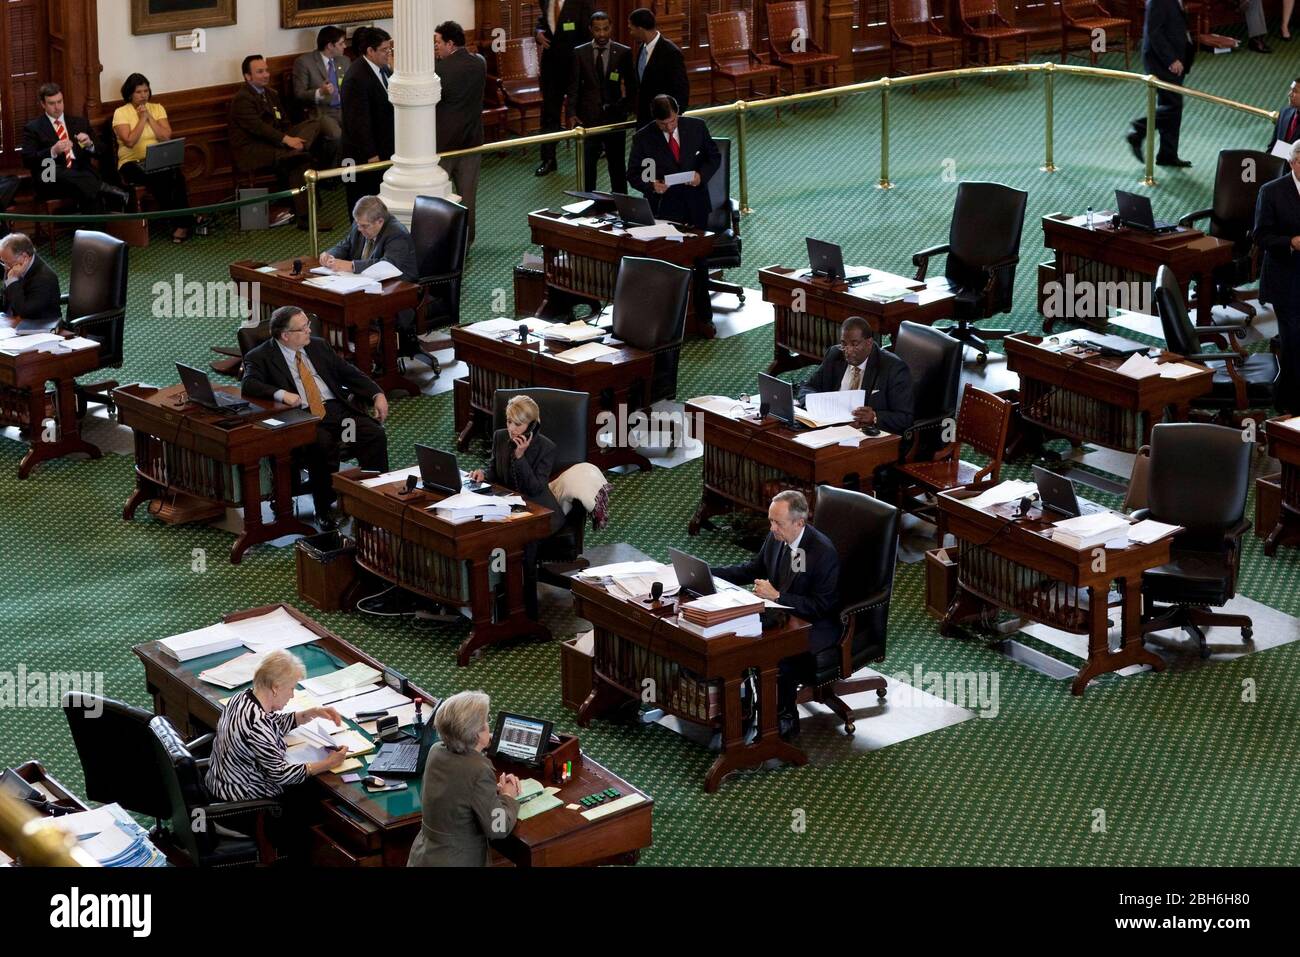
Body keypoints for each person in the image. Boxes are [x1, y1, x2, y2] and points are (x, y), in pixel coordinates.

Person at [241, 305, 390, 529]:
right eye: (303, 328)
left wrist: (376, 394)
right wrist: (282, 394)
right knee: (323, 445)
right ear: (285, 335)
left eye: (308, 325)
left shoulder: (318, 346)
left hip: (336, 413)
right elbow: (249, 385)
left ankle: (374, 499)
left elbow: (348, 372)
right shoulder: (261, 356)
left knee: (372, 434)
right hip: (302, 418)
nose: (310, 331)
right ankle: (325, 507)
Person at [711, 490, 840, 738]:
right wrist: (709, 572)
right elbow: (752, 569)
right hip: (781, 615)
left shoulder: (822, 553)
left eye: (777, 523)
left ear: (799, 522)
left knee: (776, 656)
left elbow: (823, 606)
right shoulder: (777, 538)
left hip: (816, 624)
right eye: (770, 521)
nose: (772, 528)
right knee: (736, 639)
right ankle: (747, 710)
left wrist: (778, 596)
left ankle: (786, 718)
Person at [627, 94, 720, 334]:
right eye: (663, 125)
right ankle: (666, 323)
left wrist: (701, 176)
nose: (669, 128)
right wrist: (651, 185)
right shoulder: (644, 138)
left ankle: (704, 318)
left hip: (696, 205)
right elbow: (634, 174)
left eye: (672, 122)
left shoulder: (696, 127)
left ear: (677, 113)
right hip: (665, 209)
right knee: (666, 264)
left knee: (699, 262)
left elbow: (713, 157)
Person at [205, 649, 349, 803]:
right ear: (276, 687)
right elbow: (281, 774)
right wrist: (328, 763)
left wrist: (311, 713)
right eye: (292, 688)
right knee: (318, 795)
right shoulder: (258, 724)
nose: (292, 695)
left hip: (219, 782)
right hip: (242, 795)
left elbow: (273, 724)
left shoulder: (241, 698)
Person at [467, 395, 565, 620]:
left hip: (540, 513)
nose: (511, 428)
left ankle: (526, 615)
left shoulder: (546, 448)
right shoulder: (500, 436)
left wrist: (520, 458)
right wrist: (483, 475)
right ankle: (496, 607)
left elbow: (535, 487)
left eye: (518, 424)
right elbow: (495, 471)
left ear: (532, 425)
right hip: (508, 506)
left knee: (523, 549)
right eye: (509, 421)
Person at [407, 691, 520, 867]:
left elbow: (459, 791)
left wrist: (480, 745)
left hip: (423, 856)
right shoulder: (479, 770)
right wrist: (507, 796)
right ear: (476, 733)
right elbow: (498, 828)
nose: (488, 725)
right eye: (486, 721)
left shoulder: (436, 751)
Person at [229, 54, 327, 229]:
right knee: (300, 160)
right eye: (260, 72)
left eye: (266, 70)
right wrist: (287, 139)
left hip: (277, 143)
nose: (266, 74)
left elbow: (285, 123)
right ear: (247, 76)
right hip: (253, 149)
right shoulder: (242, 98)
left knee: (314, 123)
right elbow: (258, 128)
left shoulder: (271, 94)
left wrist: (290, 138)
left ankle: (297, 150)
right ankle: (305, 218)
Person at [112, 73, 195, 244]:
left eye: (146, 90)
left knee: (176, 175)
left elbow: (166, 137)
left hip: (158, 159)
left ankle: (180, 223)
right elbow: (129, 141)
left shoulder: (157, 108)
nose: (143, 95)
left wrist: (150, 117)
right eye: (138, 92)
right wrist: (142, 119)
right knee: (161, 177)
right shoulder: (121, 112)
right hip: (131, 163)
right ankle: (183, 222)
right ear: (130, 94)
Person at [21, 83, 128, 214]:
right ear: (43, 104)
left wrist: (90, 145)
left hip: (80, 173)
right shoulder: (33, 128)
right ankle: (105, 189)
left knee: (87, 190)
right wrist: (52, 151)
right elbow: (28, 160)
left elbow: (102, 151)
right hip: (50, 176)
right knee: (75, 177)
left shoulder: (79, 123)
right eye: (52, 103)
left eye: (60, 102)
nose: (57, 107)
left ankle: (94, 232)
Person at [797, 316, 914, 435]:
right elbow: (808, 387)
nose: (847, 350)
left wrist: (874, 417)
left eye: (854, 344)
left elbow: (905, 418)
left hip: (868, 434)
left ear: (869, 343)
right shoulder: (835, 355)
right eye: (844, 344)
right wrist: (813, 404)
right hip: (830, 427)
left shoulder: (893, 368)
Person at [1254, 140, 1300, 413]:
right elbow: (1261, 236)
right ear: (1295, 163)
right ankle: (1288, 407)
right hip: (1287, 279)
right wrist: (1291, 242)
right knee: (1294, 345)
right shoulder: (1271, 192)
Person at [568, 10, 635, 194]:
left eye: (605, 29)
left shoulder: (623, 52)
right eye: (598, 30)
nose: (602, 34)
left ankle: (622, 208)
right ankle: (588, 207)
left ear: (611, 28)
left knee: (617, 168)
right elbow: (573, 86)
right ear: (591, 29)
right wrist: (572, 113)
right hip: (588, 119)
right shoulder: (579, 53)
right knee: (588, 168)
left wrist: (625, 108)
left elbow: (632, 86)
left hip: (615, 119)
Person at [1125, 0, 1195, 169]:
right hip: (1162, 62)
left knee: (1171, 105)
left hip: (1176, 60)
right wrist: (1171, 59)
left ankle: (1167, 154)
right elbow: (1154, 32)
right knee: (1173, 105)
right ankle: (1138, 129)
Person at [434, 21, 486, 245]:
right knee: (468, 198)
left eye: (437, 42)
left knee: (440, 198)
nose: (435, 47)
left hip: (444, 144)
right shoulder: (480, 63)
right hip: (472, 141)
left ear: (450, 43)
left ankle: (445, 244)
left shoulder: (439, 71)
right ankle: (467, 242)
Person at [533, 0, 594, 176]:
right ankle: (549, 159)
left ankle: (590, 156)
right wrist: (537, 32)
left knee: (583, 112)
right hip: (551, 68)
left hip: (576, 66)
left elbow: (588, 32)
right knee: (549, 114)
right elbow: (543, 21)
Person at [341, 27, 396, 217]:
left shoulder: (383, 70)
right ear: (370, 51)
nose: (388, 54)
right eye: (384, 50)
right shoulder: (356, 77)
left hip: (384, 148)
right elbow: (357, 121)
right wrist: (371, 153)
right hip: (364, 156)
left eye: (389, 49)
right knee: (363, 204)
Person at [320, 195, 416, 281]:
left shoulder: (397, 233)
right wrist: (330, 255)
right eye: (358, 224)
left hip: (398, 287)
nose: (359, 229)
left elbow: (388, 266)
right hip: (363, 280)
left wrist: (352, 266)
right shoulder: (360, 223)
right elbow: (346, 245)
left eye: (364, 226)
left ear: (380, 221)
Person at [292, 25, 349, 166]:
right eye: (341, 43)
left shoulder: (344, 61)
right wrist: (319, 92)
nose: (345, 46)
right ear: (330, 45)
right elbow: (299, 94)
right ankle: (328, 174)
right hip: (321, 112)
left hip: (345, 109)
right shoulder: (304, 63)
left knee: (364, 128)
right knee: (336, 135)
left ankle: (354, 174)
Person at [627, 7, 689, 127]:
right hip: (645, 119)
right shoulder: (642, 48)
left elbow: (682, 90)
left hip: (663, 121)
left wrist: (671, 120)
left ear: (640, 29)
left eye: (631, 29)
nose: (631, 33)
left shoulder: (671, 52)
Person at [0, 232, 61, 329]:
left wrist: (12, 280)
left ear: (24, 257)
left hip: (41, 328)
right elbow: (5, 302)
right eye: (3, 262)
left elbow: (25, 311)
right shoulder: (13, 266)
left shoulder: (45, 278)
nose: (6, 267)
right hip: (14, 323)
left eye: (7, 263)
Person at [1268, 77, 1300, 153]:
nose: (1289, 94)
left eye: (1294, 91)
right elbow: (1272, 146)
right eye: (1291, 90)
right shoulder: (1284, 113)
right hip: (1277, 163)